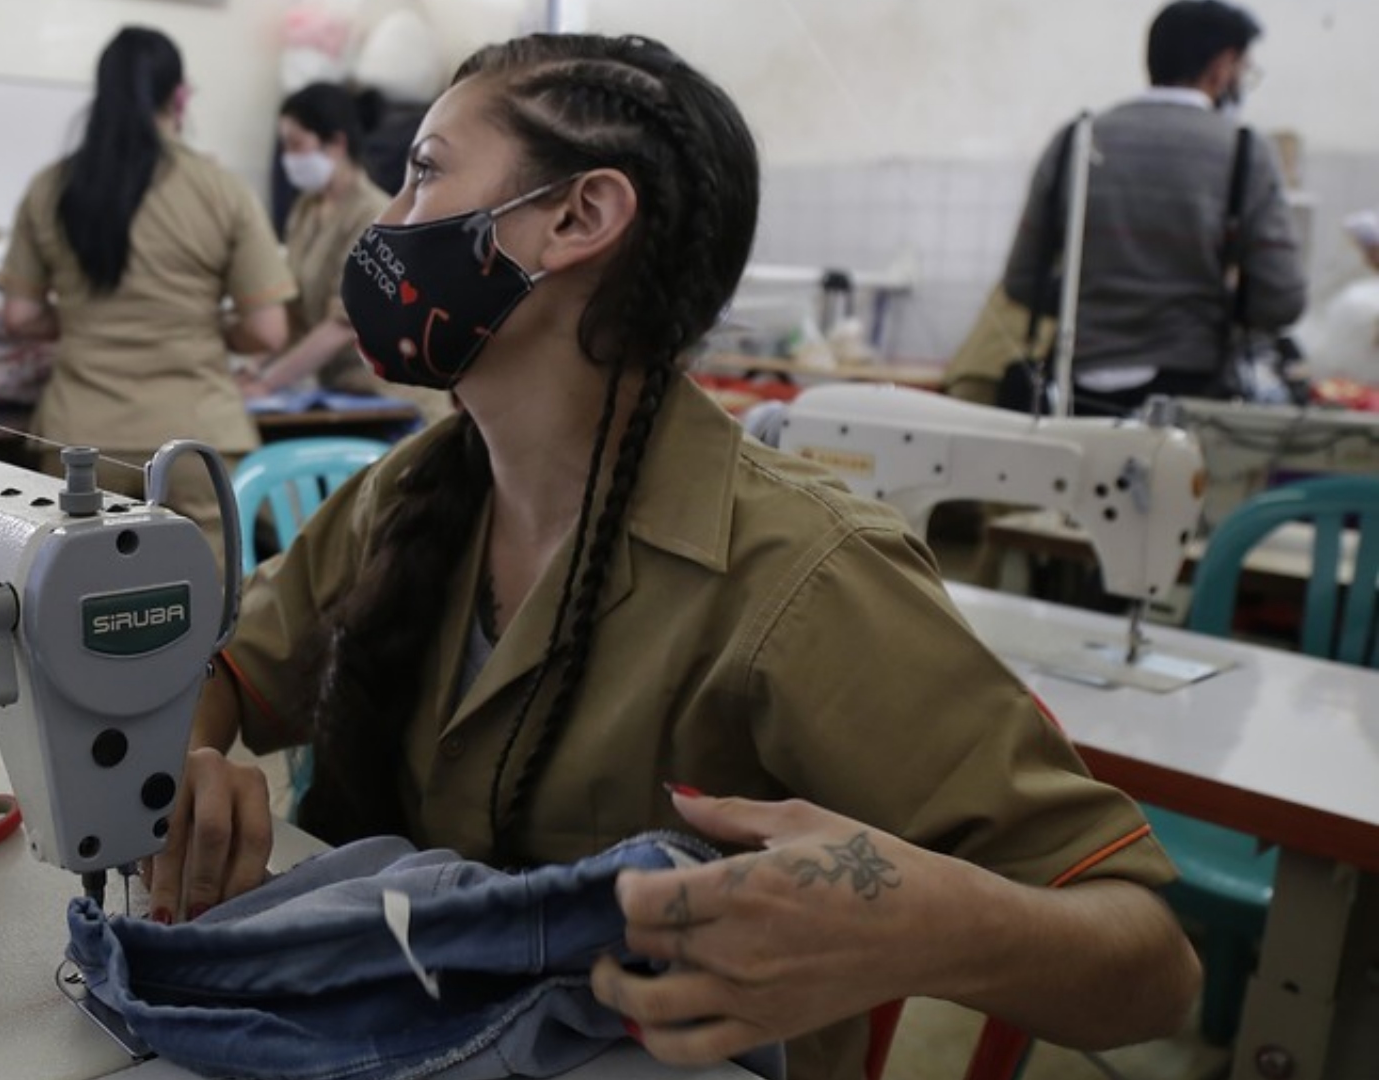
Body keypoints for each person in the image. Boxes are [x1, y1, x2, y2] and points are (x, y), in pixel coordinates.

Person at [147, 33, 1200, 1080]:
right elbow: (233, 663)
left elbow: (1152, 966)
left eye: (425, 172)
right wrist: (192, 757)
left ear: (577, 217)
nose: (389, 220)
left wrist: (934, 925)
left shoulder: (801, 580)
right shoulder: (412, 491)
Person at [2, 26, 294, 562]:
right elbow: (267, 329)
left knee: (78, 604)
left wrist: (87, 320)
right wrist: (203, 325)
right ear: (179, 96)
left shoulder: (51, 188)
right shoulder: (220, 189)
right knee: (208, 607)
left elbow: (19, 315)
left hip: (81, 439)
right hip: (196, 439)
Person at [1003, 0, 1305, 415]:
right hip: (1191, 394)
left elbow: (1022, 280)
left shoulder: (1076, 139)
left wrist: (1096, 298)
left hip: (1074, 392)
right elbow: (1282, 299)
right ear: (1222, 66)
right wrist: (1212, 303)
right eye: (1243, 69)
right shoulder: (1244, 152)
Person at [239, 83, 451, 424]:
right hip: (341, 394)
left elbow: (343, 324)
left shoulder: (373, 214)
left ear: (336, 144)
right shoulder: (305, 210)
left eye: (296, 146)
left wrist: (267, 383)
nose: (288, 159)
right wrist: (252, 369)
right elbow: (293, 313)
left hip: (390, 399)